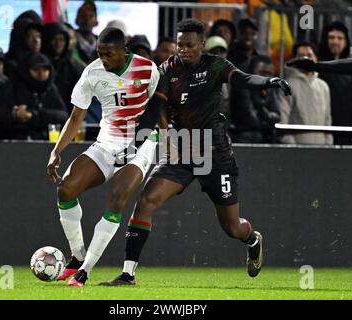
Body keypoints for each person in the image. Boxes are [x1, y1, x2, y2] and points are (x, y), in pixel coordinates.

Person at [100, 19, 291, 286]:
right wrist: (134, 145)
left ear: (202, 44)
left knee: (232, 227)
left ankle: (253, 239)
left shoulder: (215, 66)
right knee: (146, 201)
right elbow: (155, 109)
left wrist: (268, 81)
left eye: (189, 45)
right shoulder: (167, 70)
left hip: (215, 153)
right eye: (180, 45)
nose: (183, 50)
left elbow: (244, 79)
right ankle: (128, 274)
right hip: (181, 149)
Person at [46, 27, 160, 287]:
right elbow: (77, 116)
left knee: (118, 196)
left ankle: (84, 271)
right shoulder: (92, 72)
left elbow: (159, 107)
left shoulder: (147, 69)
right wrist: (56, 151)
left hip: (140, 143)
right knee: (66, 189)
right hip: (107, 142)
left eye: (109, 54)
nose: (104, 59)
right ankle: (77, 256)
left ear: (124, 49)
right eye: (100, 53)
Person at [276, 41, 332, 145]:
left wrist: (328, 145)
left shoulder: (323, 86)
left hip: (321, 150)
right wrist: (293, 147)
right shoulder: (286, 86)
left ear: (316, 58)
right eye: (301, 56)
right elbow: (282, 122)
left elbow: (327, 121)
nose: (306, 59)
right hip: (296, 153)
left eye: (310, 55)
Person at [318, 21, 352, 144]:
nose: (335, 41)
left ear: (346, 42)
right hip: (323, 132)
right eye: (331, 37)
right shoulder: (317, 67)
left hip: (347, 133)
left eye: (340, 38)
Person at [13, 53, 68, 140]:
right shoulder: (19, 88)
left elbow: (63, 115)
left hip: (48, 141)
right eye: (35, 69)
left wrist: (33, 116)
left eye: (45, 69)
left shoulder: (51, 88)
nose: (41, 73)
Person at [231, 55, 280, 143]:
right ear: (251, 72)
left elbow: (277, 115)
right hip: (243, 139)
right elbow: (249, 118)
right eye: (262, 73)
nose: (266, 77)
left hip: (263, 139)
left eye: (269, 74)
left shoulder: (270, 88)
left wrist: (263, 113)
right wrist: (267, 120)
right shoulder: (243, 86)